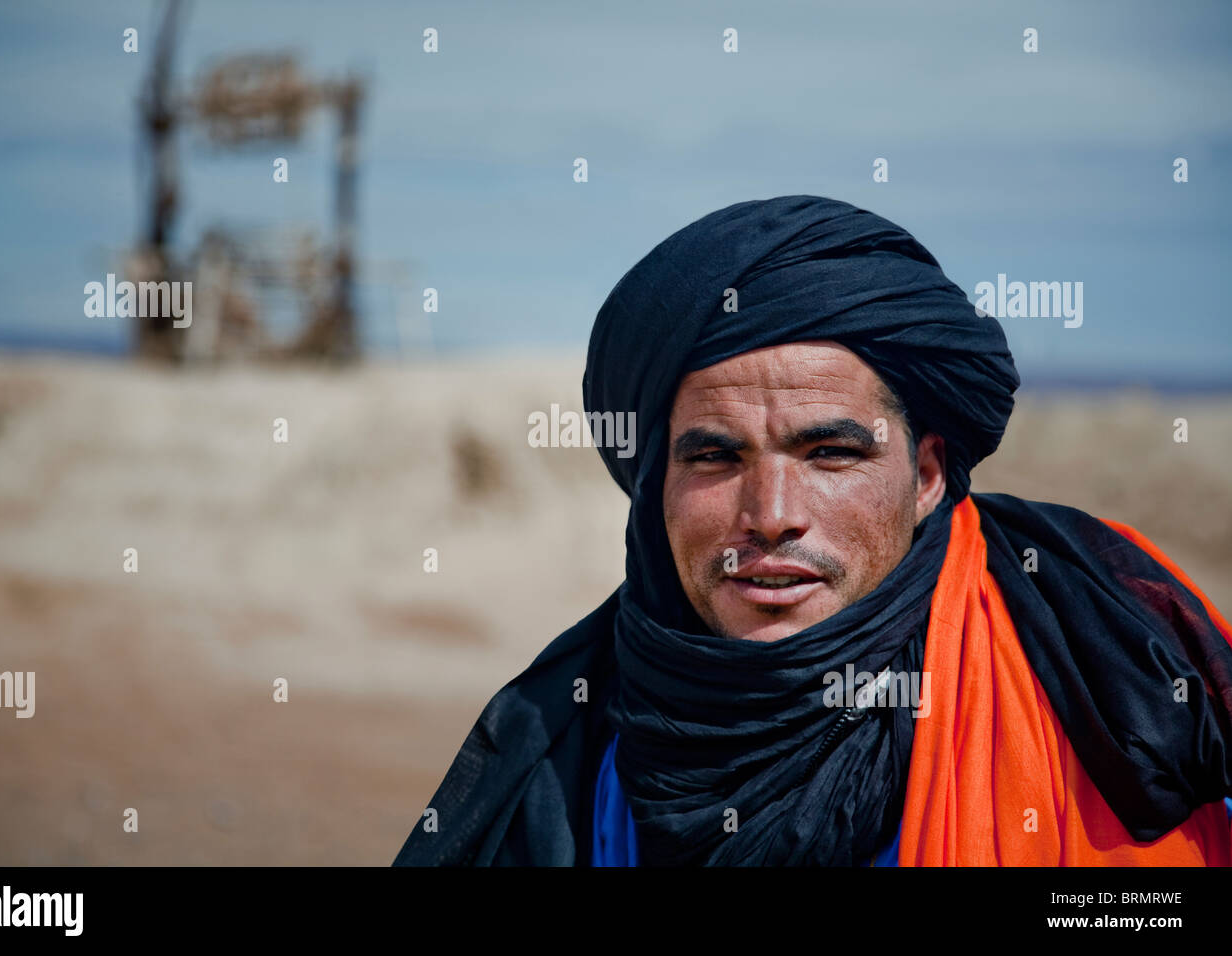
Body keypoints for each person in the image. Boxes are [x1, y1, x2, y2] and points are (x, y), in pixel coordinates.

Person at [393, 195, 1232, 866]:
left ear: (928, 474)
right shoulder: (567, 744)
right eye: (716, 458)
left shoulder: (1116, 676)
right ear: (655, 488)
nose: (770, 515)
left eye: (830, 453)